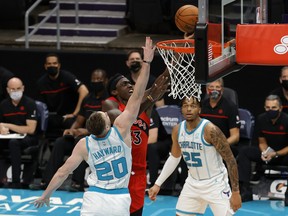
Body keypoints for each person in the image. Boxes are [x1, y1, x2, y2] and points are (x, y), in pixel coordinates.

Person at [32, 37, 155, 216]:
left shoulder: (84, 144)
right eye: (105, 115)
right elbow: (137, 95)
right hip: (119, 199)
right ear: (107, 124)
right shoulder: (121, 130)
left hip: (94, 198)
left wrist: (46, 195)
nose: (106, 113)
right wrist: (147, 62)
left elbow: (62, 172)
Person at [148, 96, 242, 215]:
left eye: (193, 106)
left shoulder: (210, 130)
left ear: (199, 110)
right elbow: (174, 158)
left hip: (216, 184)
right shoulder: (177, 130)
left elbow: (230, 160)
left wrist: (236, 192)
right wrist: (157, 184)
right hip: (192, 184)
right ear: (181, 109)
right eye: (185, 106)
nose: (189, 109)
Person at [102, 70, 169, 215]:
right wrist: (150, 99)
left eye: (130, 83)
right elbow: (124, 121)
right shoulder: (109, 105)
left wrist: (174, 61)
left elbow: (160, 82)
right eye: (124, 84)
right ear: (115, 91)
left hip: (138, 172)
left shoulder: (144, 102)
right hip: (118, 173)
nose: (129, 85)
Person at [29, 68, 109, 191]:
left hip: (100, 140)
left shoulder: (109, 100)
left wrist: (87, 131)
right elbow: (79, 120)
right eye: (93, 79)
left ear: (105, 81)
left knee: (81, 142)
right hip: (84, 136)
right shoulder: (88, 98)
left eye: (99, 79)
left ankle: (77, 183)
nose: (96, 81)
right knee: (61, 142)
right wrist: (71, 130)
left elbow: (107, 125)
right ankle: (47, 182)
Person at [237, 94, 288, 204]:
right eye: (268, 108)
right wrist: (265, 152)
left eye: (274, 108)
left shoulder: (286, 120)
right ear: (265, 108)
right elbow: (262, 140)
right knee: (244, 152)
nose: (271, 110)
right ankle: (245, 190)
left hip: (283, 154)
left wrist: (276, 153)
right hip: (269, 154)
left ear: (280, 108)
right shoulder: (261, 119)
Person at [36, 53, 89, 136]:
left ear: (59, 65)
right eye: (49, 64)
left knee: (73, 127)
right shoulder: (41, 83)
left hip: (70, 116)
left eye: (54, 63)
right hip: (53, 117)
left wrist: (75, 113)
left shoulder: (66, 76)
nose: (52, 66)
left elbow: (84, 91)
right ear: (45, 66)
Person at [0, 77, 38, 188]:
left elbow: (30, 129)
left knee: (13, 143)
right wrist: (2, 128)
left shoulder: (30, 103)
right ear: (7, 90)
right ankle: (2, 177)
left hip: (28, 138)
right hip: (8, 136)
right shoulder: (3, 105)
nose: (15, 91)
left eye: (18, 88)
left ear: (23, 88)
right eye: (12, 89)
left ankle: (16, 181)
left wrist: (7, 125)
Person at [200, 78, 240, 156]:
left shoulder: (230, 107)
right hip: (203, 144)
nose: (214, 90)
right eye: (211, 87)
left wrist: (221, 145)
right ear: (207, 90)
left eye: (217, 87)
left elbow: (235, 136)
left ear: (222, 90)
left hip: (223, 145)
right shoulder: (200, 105)